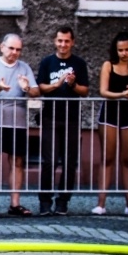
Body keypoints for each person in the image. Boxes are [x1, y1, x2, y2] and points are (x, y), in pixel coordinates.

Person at [0, 33, 40, 217]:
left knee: (18, 161)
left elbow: (36, 91)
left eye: (18, 49)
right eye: (11, 48)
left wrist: (27, 88)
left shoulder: (24, 67)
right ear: (2, 47)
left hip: (18, 123)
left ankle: (15, 203)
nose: (15, 52)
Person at [92, 32, 128, 216]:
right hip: (110, 112)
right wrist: (121, 95)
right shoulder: (108, 65)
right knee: (107, 158)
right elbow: (103, 91)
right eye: (120, 50)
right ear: (115, 50)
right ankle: (101, 204)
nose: (123, 53)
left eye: (126, 49)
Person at [36, 26, 90, 216]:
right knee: (49, 161)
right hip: (50, 117)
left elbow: (85, 91)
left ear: (72, 42)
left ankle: (63, 201)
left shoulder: (79, 63)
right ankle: (44, 201)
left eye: (67, 41)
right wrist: (57, 84)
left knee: (69, 162)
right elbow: (40, 87)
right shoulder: (47, 62)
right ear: (55, 41)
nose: (63, 44)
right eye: (60, 40)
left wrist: (73, 85)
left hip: (72, 119)